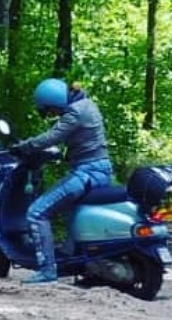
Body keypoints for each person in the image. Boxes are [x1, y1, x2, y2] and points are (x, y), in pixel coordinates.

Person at [11, 78, 114, 284]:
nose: (53, 115)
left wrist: (24, 146)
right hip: (101, 170)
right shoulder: (87, 104)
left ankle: (47, 270)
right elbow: (81, 139)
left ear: (54, 101)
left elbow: (52, 136)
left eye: (51, 110)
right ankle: (74, 259)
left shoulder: (74, 112)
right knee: (74, 212)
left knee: (37, 212)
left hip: (87, 173)